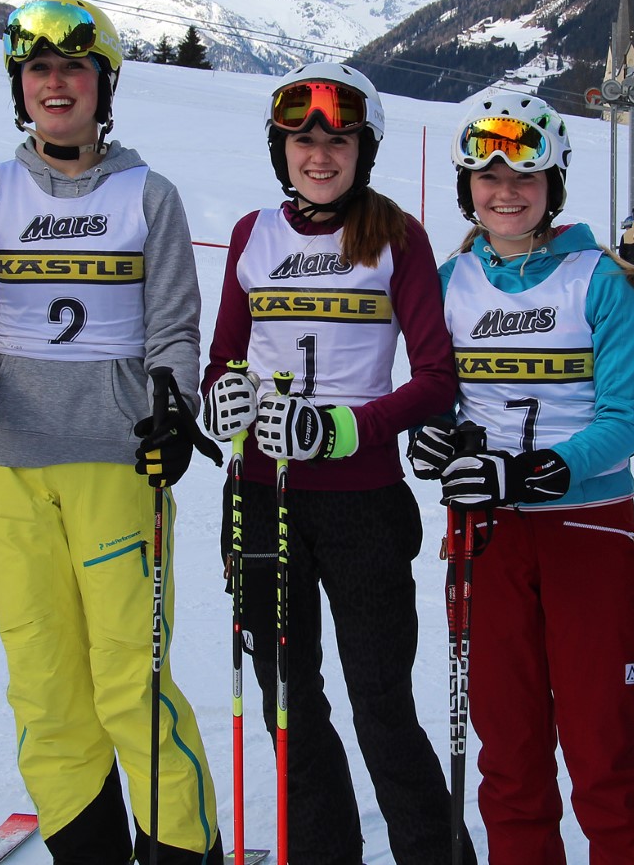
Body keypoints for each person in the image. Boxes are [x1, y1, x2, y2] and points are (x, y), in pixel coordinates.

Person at [0, 0, 222, 865]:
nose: (55, 84)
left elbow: (173, 326)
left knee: (127, 683)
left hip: (114, 462)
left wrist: (172, 407)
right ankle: (87, 847)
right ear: (20, 89)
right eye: (38, 71)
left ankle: (180, 848)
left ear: (104, 86)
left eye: (74, 69)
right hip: (12, 466)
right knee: (45, 687)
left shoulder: (150, 196)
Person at [200, 62, 471, 865]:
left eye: (338, 140)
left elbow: (434, 380)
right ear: (280, 147)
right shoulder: (252, 234)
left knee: (380, 698)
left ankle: (432, 851)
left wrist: (345, 430)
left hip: (361, 501)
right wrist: (223, 401)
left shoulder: (396, 236)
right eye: (302, 139)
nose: (319, 155)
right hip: (260, 491)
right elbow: (223, 358)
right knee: (288, 698)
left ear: (365, 148)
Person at [406, 93, 634, 864]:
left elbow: (626, 419)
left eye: (525, 174)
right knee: (507, 747)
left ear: (553, 184)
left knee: (601, 744)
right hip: (484, 536)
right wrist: (432, 442)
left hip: (585, 528)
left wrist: (534, 470)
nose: (505, 191)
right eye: (486, 176)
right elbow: (432, 394)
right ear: (466, 188)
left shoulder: (599, 279)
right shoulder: (447, 278)